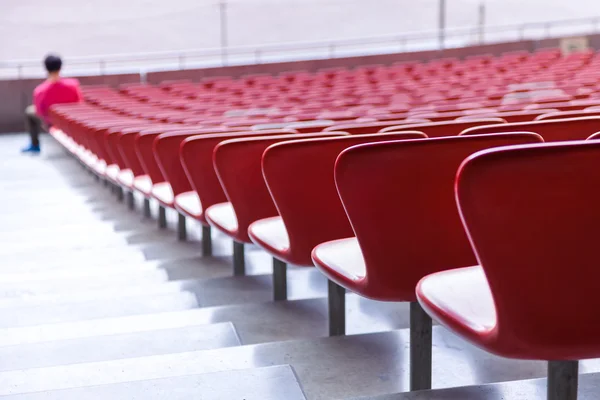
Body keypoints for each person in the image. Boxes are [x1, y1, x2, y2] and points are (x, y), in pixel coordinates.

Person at [22, 54, 83, 153]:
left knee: (29, 111)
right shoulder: (73, 85)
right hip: (70, 120)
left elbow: (39, 112)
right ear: (60, 67)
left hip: (51, 122)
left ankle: (34, 144)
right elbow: (79, 103)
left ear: (46, 68)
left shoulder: (40, 90)